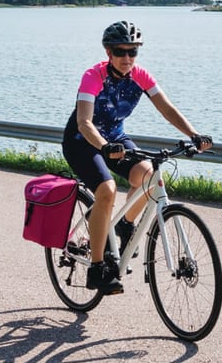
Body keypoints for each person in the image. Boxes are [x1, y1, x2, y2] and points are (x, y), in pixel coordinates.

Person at [62, 20, 212, 295]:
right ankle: (97, 267)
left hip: (115, 139)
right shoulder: (93, 76)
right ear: (108, 52)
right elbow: (84, 122)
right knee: (106, 190)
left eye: (133, 52)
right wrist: (104, 146)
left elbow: (167, 109)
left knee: (146, 175)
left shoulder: (140, 75)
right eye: (121, 52)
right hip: (82, 142)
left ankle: (125, 225)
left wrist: (194, 134)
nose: (127, 58)